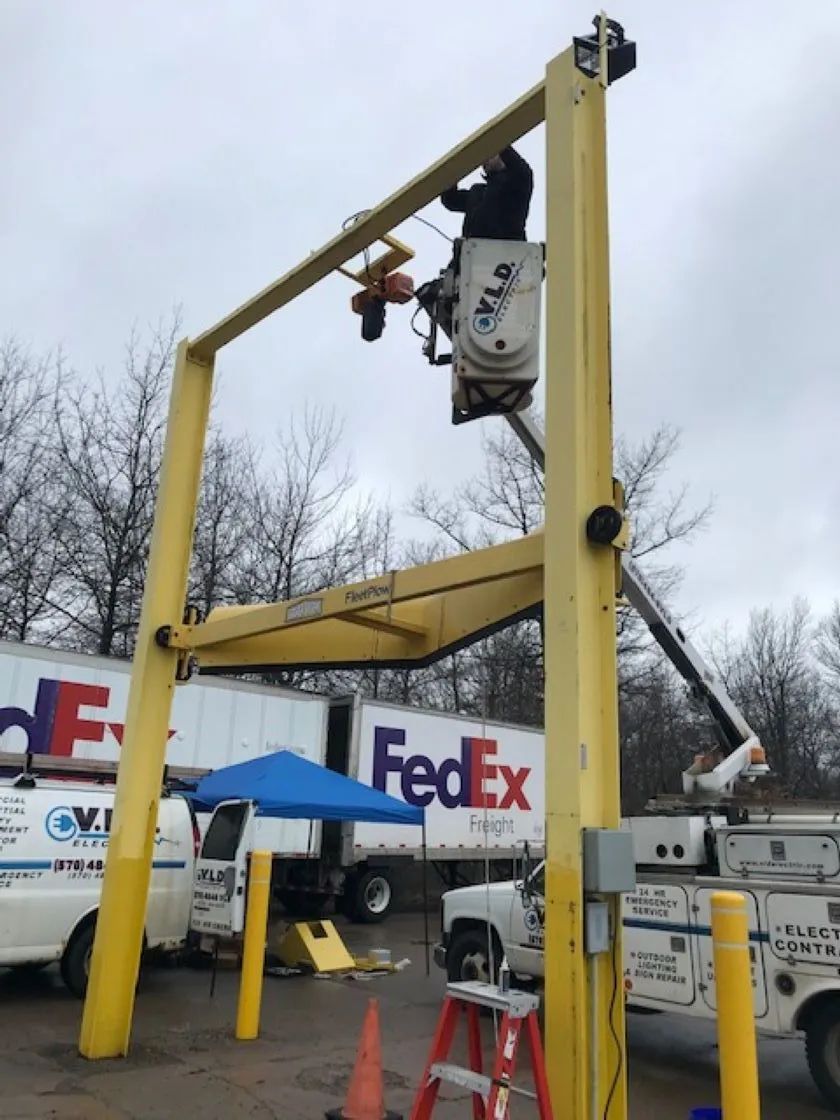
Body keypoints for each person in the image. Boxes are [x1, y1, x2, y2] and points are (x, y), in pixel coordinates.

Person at [415, 146, 534, 336]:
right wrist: (452, 173)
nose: (485, 160)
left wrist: (497, 142)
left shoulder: (516, 184)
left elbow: (523, 170)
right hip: (472, 260)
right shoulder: (478, 192)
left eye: (491, 155)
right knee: (431, 294)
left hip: (504, 257)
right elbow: (451, 200)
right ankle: (461, 334)